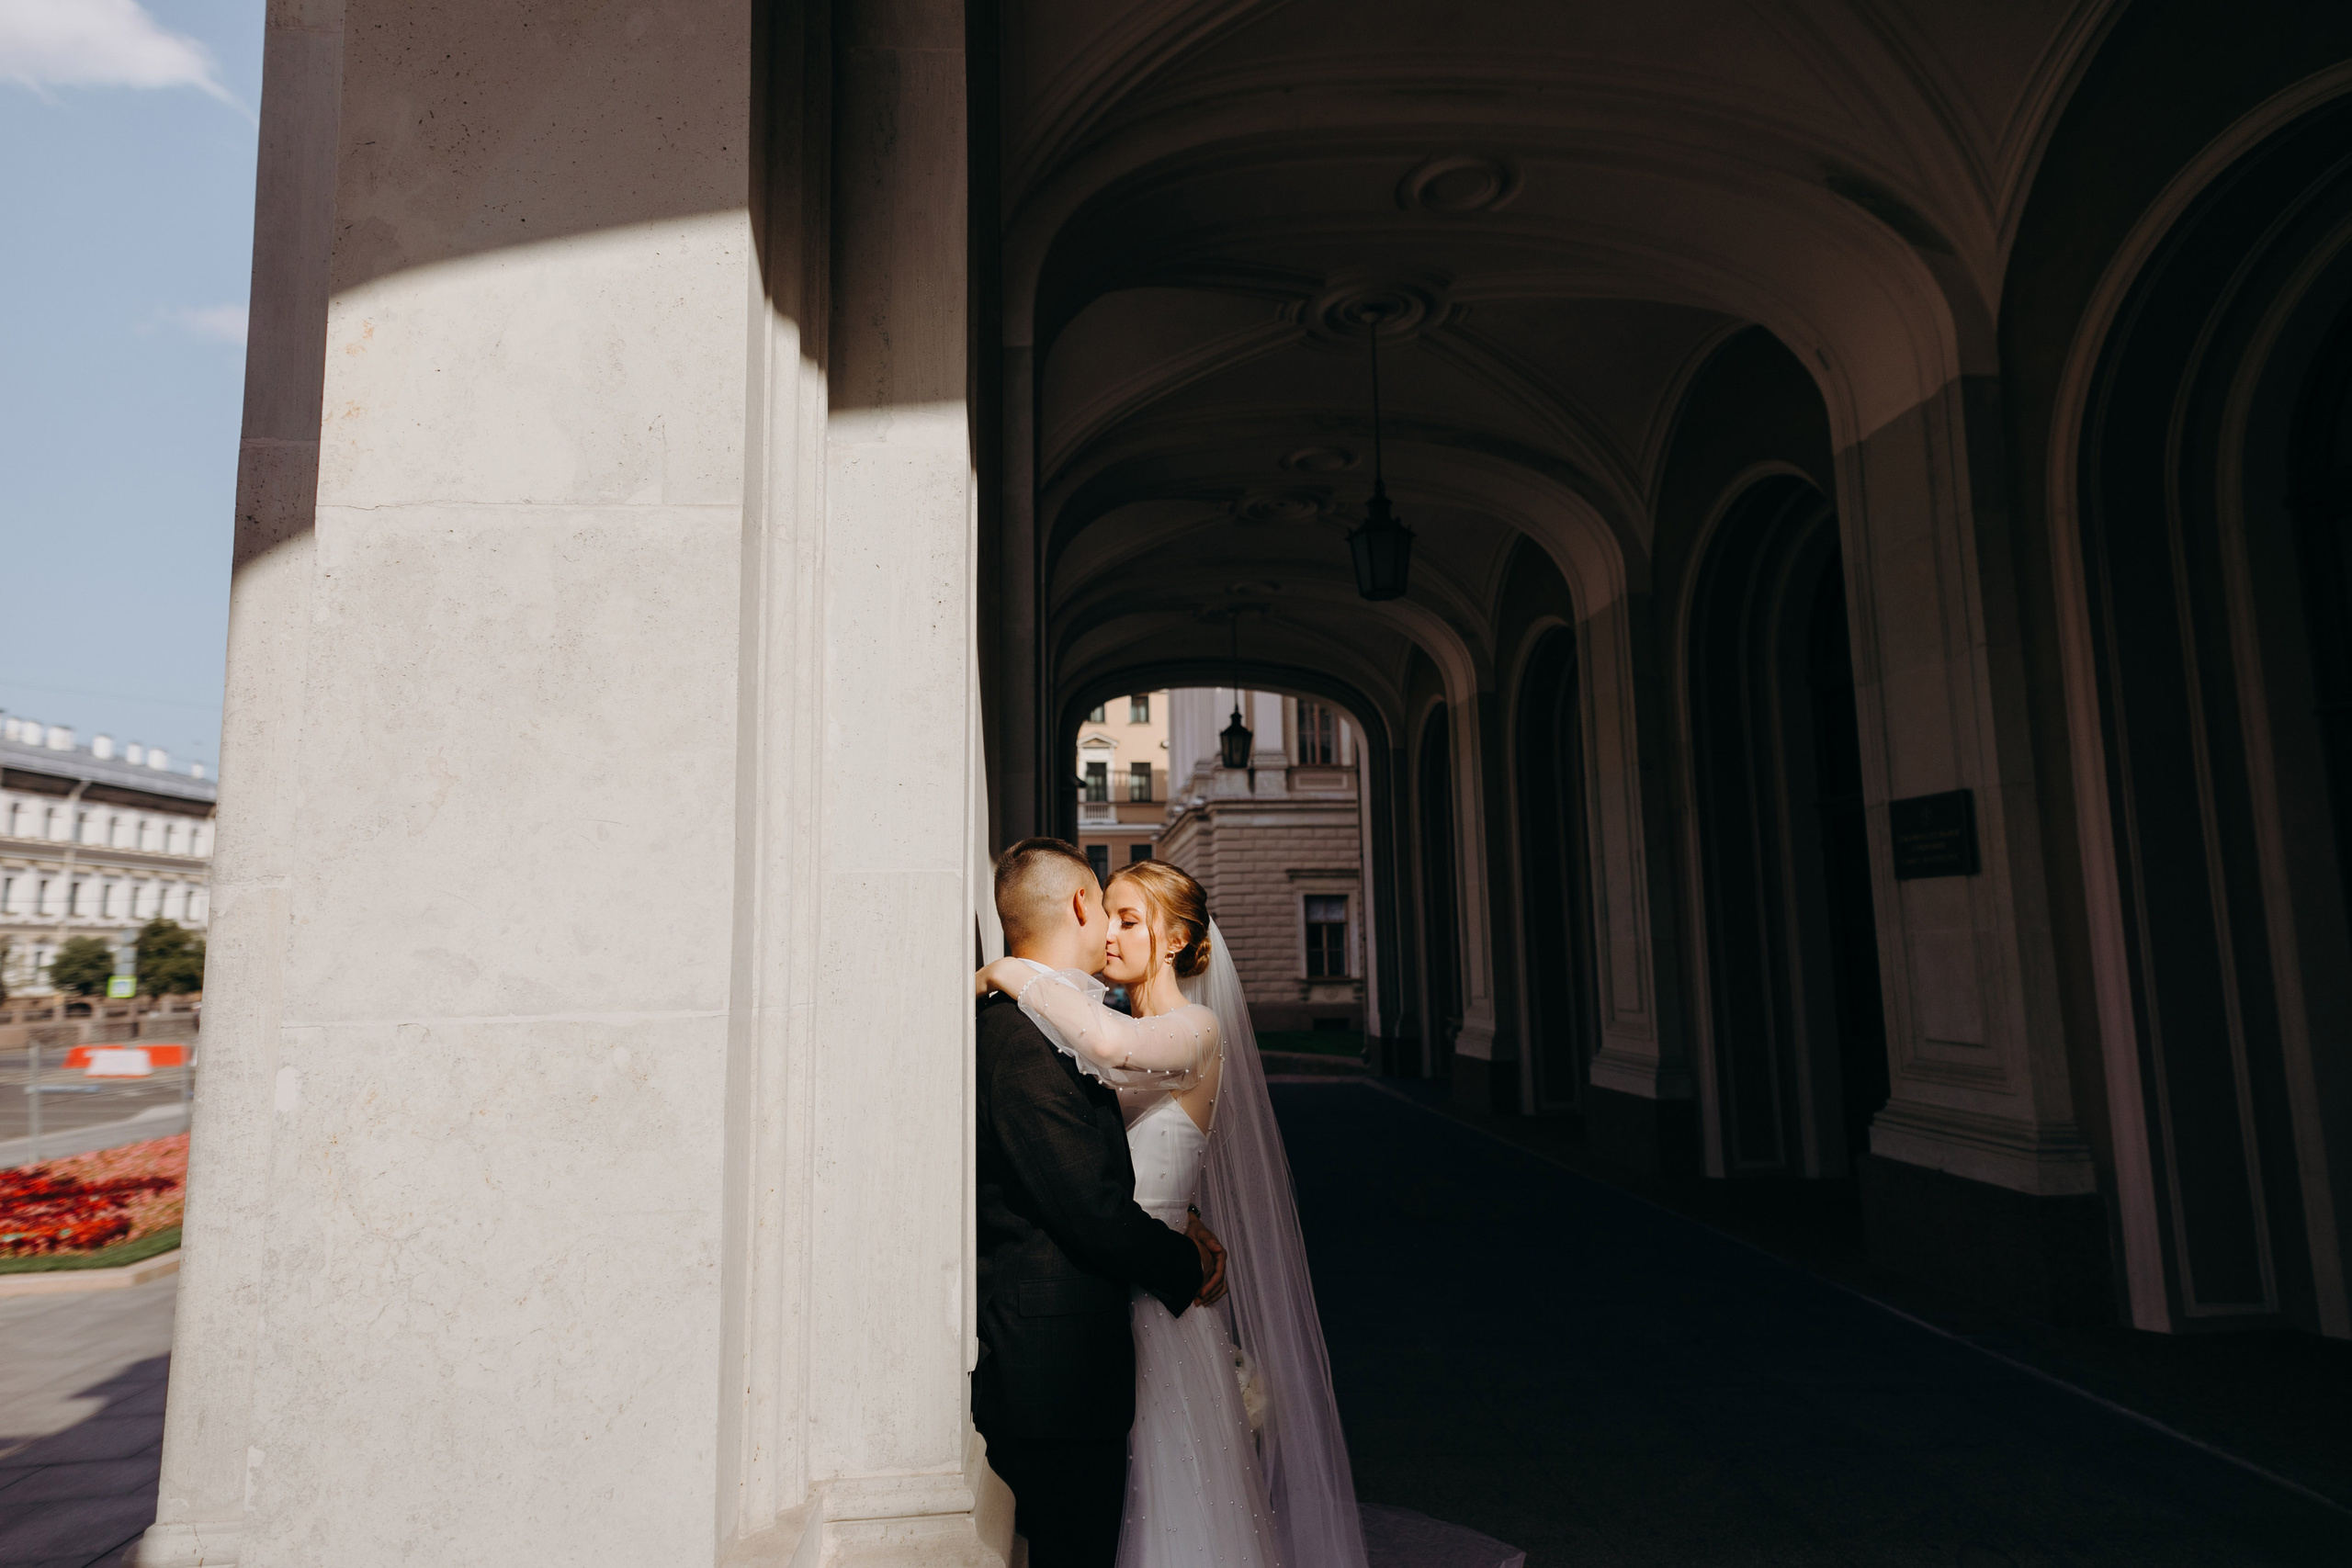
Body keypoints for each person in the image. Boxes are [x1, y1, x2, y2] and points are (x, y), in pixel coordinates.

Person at [974, 839, 1231, 1568]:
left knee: (1167, 1505)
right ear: (1081, 906)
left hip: (1141, 1299)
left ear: (1175, 940)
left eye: (1131, 920)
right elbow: (1104, 1182)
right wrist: (1181, 1232)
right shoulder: (1047, 1038)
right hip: (1112, 1302)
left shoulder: (1185, 1029)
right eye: (1108, 916)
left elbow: (1115, 1048)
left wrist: (1006, 969)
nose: (1112, 935)